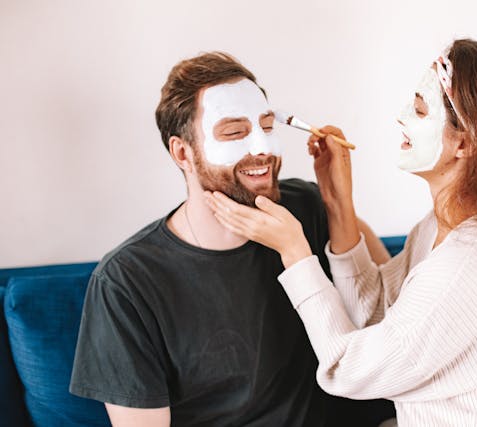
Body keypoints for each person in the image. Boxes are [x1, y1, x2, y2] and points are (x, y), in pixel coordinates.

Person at [206, 39, 477, 426]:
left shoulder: (469, 265)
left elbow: (349, 370)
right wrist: (338, 204)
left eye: (419, 110)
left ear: (464, 143)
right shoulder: (445, 226)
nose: (400, 116)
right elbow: (378, 313)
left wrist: (295, 253)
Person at [69, 51, 394, 426]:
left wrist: (338, 204)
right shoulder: (126, 282)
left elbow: (386, 325)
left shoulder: (305, 206)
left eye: (267, 127)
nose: (263, 149)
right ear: (182, 152)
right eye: (235, 132)